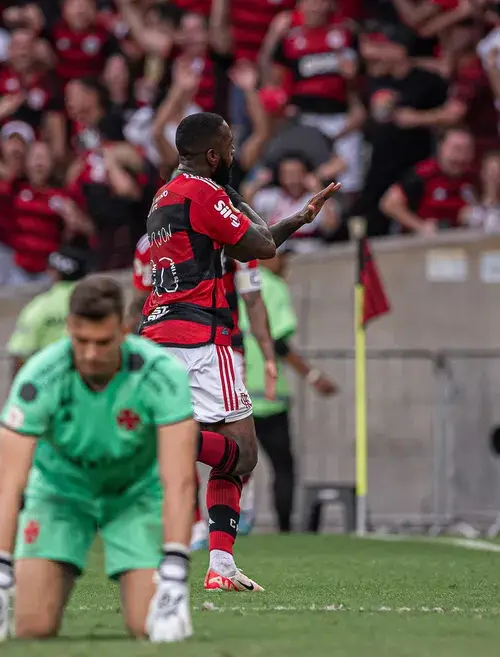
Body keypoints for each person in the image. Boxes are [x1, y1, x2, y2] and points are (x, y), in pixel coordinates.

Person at [137, 112, 339, 591]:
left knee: (229, 459)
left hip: (158, 336)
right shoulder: (205, 193)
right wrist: (296, 218)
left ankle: (221, 566)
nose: (233, 151)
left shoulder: (167, 193)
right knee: (243, 455)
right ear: (213, 154)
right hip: (201, 339)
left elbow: (249, 245)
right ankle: (172, 441)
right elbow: (262, 246)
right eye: (228, 144)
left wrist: (283, 215)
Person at [0, 276, 197, 645]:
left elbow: (178, 481)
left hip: (135, 497)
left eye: (103, 342)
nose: (91, 354)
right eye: (81, 341)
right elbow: (6, 486)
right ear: (69, 328)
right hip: (59, 495)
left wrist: (175, 571)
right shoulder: (38, 377)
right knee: (32, 627)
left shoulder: (163, 375)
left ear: (125, 329)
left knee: (150, 628)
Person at [130, 235, 275, 550]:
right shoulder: (150, 245)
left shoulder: (228, 231)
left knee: (226, 445)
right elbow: (140, 301)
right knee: (215, 443)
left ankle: (221, 524)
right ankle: (196, 522)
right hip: (190, 347)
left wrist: (268, 354)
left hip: (211, 346)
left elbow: (252, 294)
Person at [240, 248, 337, 532]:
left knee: (235, 466)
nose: (286, 265)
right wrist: (312, 375)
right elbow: (279, 343)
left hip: (235, 395)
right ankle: (284, 528)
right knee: (283, 467)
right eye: (283, 257)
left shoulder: (235, 282)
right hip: (268, 398)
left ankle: (231, 524)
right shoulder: (272, 287)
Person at [5, 244, 92, 373]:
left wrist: (20, 386)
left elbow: (20, 353)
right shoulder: (96, 303)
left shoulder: (40, 307)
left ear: (54, 272)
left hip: (49, 382)